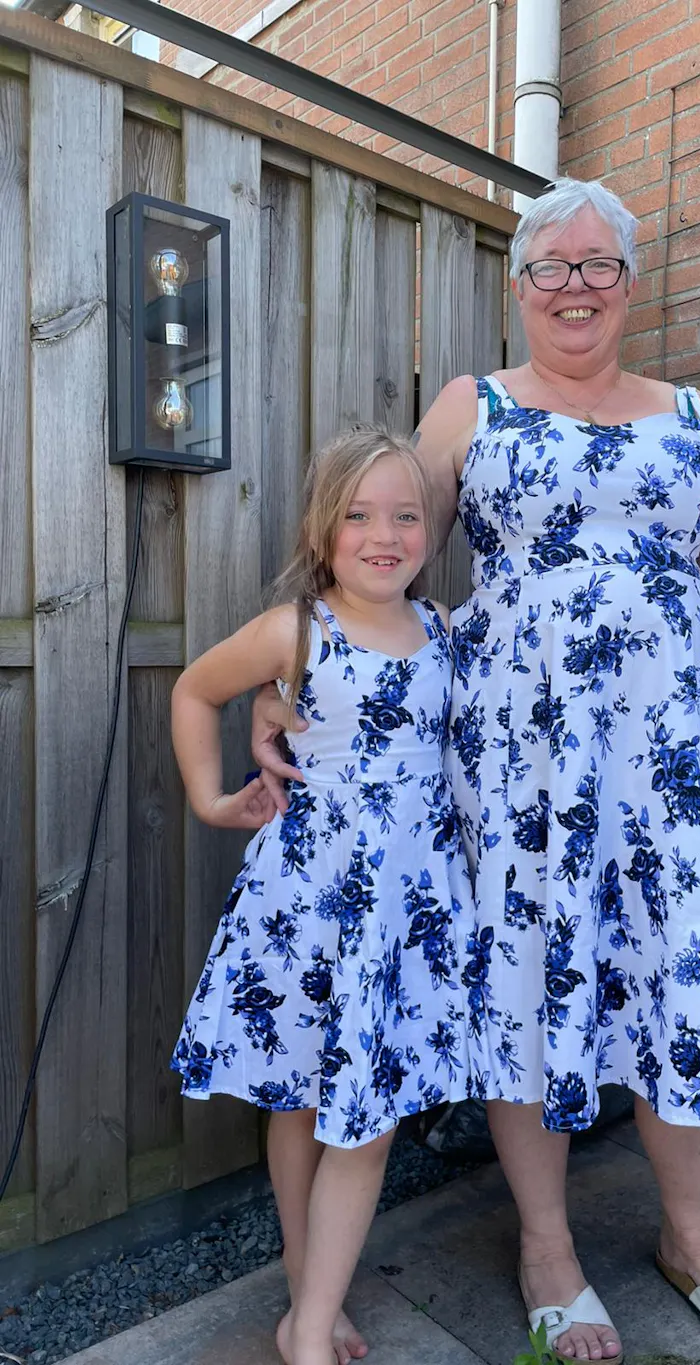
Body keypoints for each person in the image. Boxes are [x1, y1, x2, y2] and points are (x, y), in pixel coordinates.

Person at [255, 178, 700, 1363]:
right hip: (522, 772)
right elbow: (373, 554)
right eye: (550, 266)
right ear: (518, 287)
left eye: (598, 264)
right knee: (528, 982)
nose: (574, 286)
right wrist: (286, 669)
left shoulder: (689, 415)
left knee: (682, 975)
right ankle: (547, 1250)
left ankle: (691, 1237)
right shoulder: (475, 406)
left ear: (630, 284)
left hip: (676, 769)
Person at [170, 428, 481, 1365]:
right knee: (301, 1098)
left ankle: (310, 1319)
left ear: (431, 530)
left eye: (406, 515)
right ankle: (310, 1294)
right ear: (321, 528)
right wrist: (210, 799)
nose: (384, 535)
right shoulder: (295, 631)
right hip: (307, 904)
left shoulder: (445, 630)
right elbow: (194, 690)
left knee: (368, 1117)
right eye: (359, 515)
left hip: (404, 913)